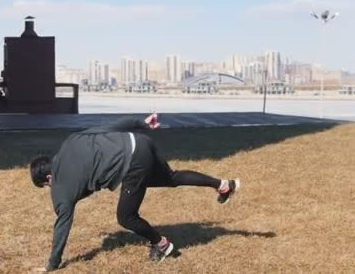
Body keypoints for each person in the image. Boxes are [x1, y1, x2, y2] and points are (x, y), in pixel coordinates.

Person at [30, 114, 240, 272]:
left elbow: (62, 224)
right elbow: (109, 126)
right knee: (171, 178)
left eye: (46, 186)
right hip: (140, 141)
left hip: (133, 164)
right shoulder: (71, 141)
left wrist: (52, 265)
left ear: (48, 179)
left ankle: (162, 245)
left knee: (126, 217)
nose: (50, 189)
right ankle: (223, 185)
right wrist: (142, 123)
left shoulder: (60, 189)